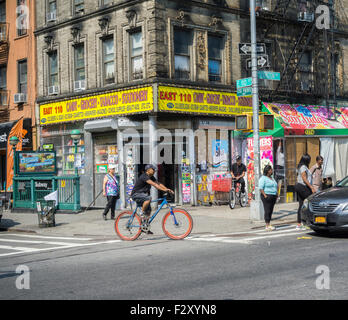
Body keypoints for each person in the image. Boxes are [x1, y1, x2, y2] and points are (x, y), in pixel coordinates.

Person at [131, 164, 174, 234]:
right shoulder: (144, 176)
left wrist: (167, 189)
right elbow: (155, 185)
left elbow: (158, 183)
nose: (154, 171)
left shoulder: (151, 177)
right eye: (153, 169)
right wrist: (164, 190)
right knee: (148, 198)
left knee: (148, 211)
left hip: (142, 195)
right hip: (136, 194)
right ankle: (141, 212)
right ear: (148, 170)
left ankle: (145, 228)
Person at [295, 154, 315, 230]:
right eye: (309, 159)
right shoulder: (303, 167)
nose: (310, 161)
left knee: (301, 205)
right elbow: (304, 178)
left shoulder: (302, 166)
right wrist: (311, 187)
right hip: (302, 186)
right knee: (309, 202)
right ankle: (306, 222)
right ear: (306, 160)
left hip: (300, 186)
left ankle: (299, 224)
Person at [259, 165, 278, 231]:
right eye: (271, 170)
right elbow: (261, 188)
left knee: (271, 210)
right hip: (267, 195)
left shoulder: (272, 178)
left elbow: (275, 186)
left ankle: (269, 224)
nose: (272, 171)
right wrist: (265, 196)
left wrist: (276, 194)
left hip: (273, 196)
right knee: (267, 210)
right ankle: (267, 225)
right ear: (267, 171)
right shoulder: (263, 178)